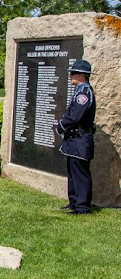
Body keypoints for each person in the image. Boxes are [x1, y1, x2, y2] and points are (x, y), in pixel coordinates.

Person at [53, 59, 96, 214]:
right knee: (72, 172)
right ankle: (74, 202)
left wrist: (61, 126)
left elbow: (75, 116)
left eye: (74, 73)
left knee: (80, 174)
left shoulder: (84, 94)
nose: (71, 75)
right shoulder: (80, 91)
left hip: (80, 139)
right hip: (74, 140)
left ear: (82, 75)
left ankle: (83, 206)